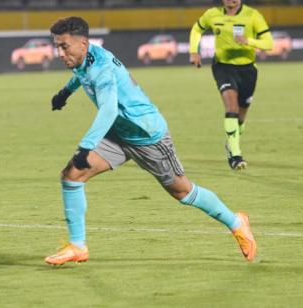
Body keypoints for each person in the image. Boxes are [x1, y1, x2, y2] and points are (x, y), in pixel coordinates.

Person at [44, 17, 257, 266]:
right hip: (120, 134)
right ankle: (78, 246)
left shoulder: (101, 68)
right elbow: (81, 74)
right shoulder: (84, 56)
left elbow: (108, 110)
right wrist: (65, 92)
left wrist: (86, 146)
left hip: (148, 136)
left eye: (64, 47)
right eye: (56, 46)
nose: (59, 53)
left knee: (183, 192)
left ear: (83, 43)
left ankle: (236, 223)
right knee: (71, 176)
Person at [189, 0, 273, 170]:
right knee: (231, 107)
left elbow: (269, 44)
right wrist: (194, 50)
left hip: (248, 70)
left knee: (241, 116)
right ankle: (235, 155)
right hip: (223, 67)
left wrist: (249, 41)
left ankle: (231, 143)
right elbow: (197, 29)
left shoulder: (253, 15)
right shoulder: (212, 14)